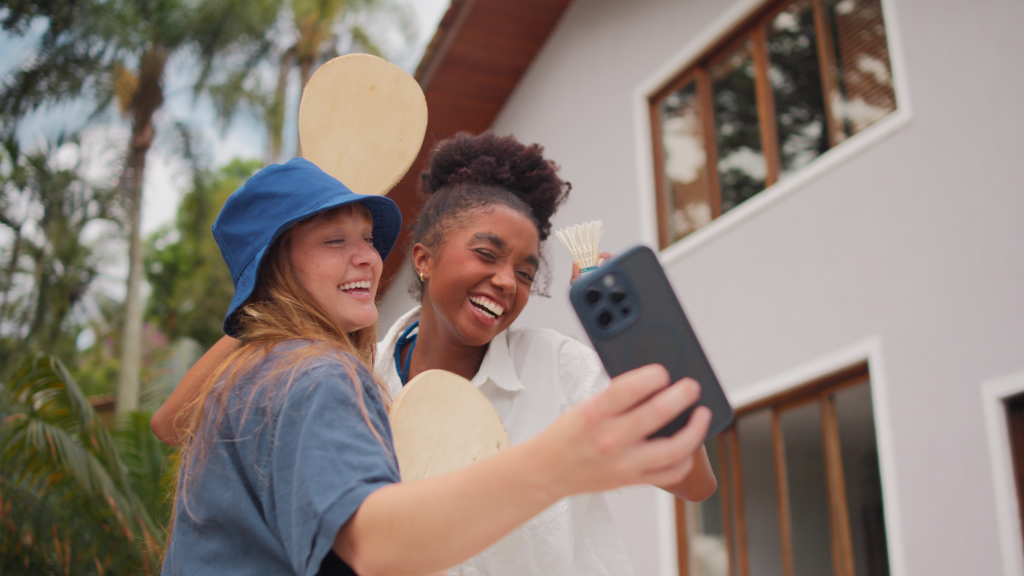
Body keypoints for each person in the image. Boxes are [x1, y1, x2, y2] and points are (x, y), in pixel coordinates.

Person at [162, 156, 713, 576]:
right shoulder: (352, 377)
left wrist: (632, 346)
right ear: (422, 258)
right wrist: (265, 300)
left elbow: (695, 481)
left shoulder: (557, 365)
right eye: (487, 254)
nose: (505, 280)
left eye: (525, 272)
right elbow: (175, 423)